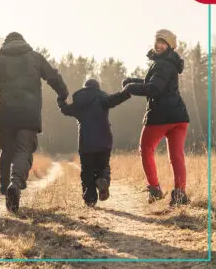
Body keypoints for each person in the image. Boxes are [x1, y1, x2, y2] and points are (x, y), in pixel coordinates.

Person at [0, 32, 69, 213]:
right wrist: (63, 93)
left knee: (7, 150)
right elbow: (53, 76)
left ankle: (5, 188)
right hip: (29, 114)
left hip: (6, 114)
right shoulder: (34, 57)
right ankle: (15, 183)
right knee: (23, 150)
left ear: (5, 43)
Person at [122, 29, 190, 207]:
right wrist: (133, 82)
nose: (159, 45)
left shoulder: (163, 63)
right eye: (158, 41)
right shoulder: (169, 62)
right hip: (179, 116)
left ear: (170, 46)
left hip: (161, 116)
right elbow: (155, 83)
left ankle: (154, 189)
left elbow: (154, 88)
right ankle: (180, 194)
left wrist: (130, 88)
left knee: (146, 149)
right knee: (177, 156)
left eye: (163, 42)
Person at [58, 78, 131, 207]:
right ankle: (103, 179)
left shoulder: (78, 102)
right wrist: (127, 92)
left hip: (86, 142)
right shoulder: (102, 97)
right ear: (97, 87)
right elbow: (115, 99)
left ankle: (90, 199)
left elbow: (65, 109)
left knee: (87, 171)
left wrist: (61, 100)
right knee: (104, 166)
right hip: (104, 139)